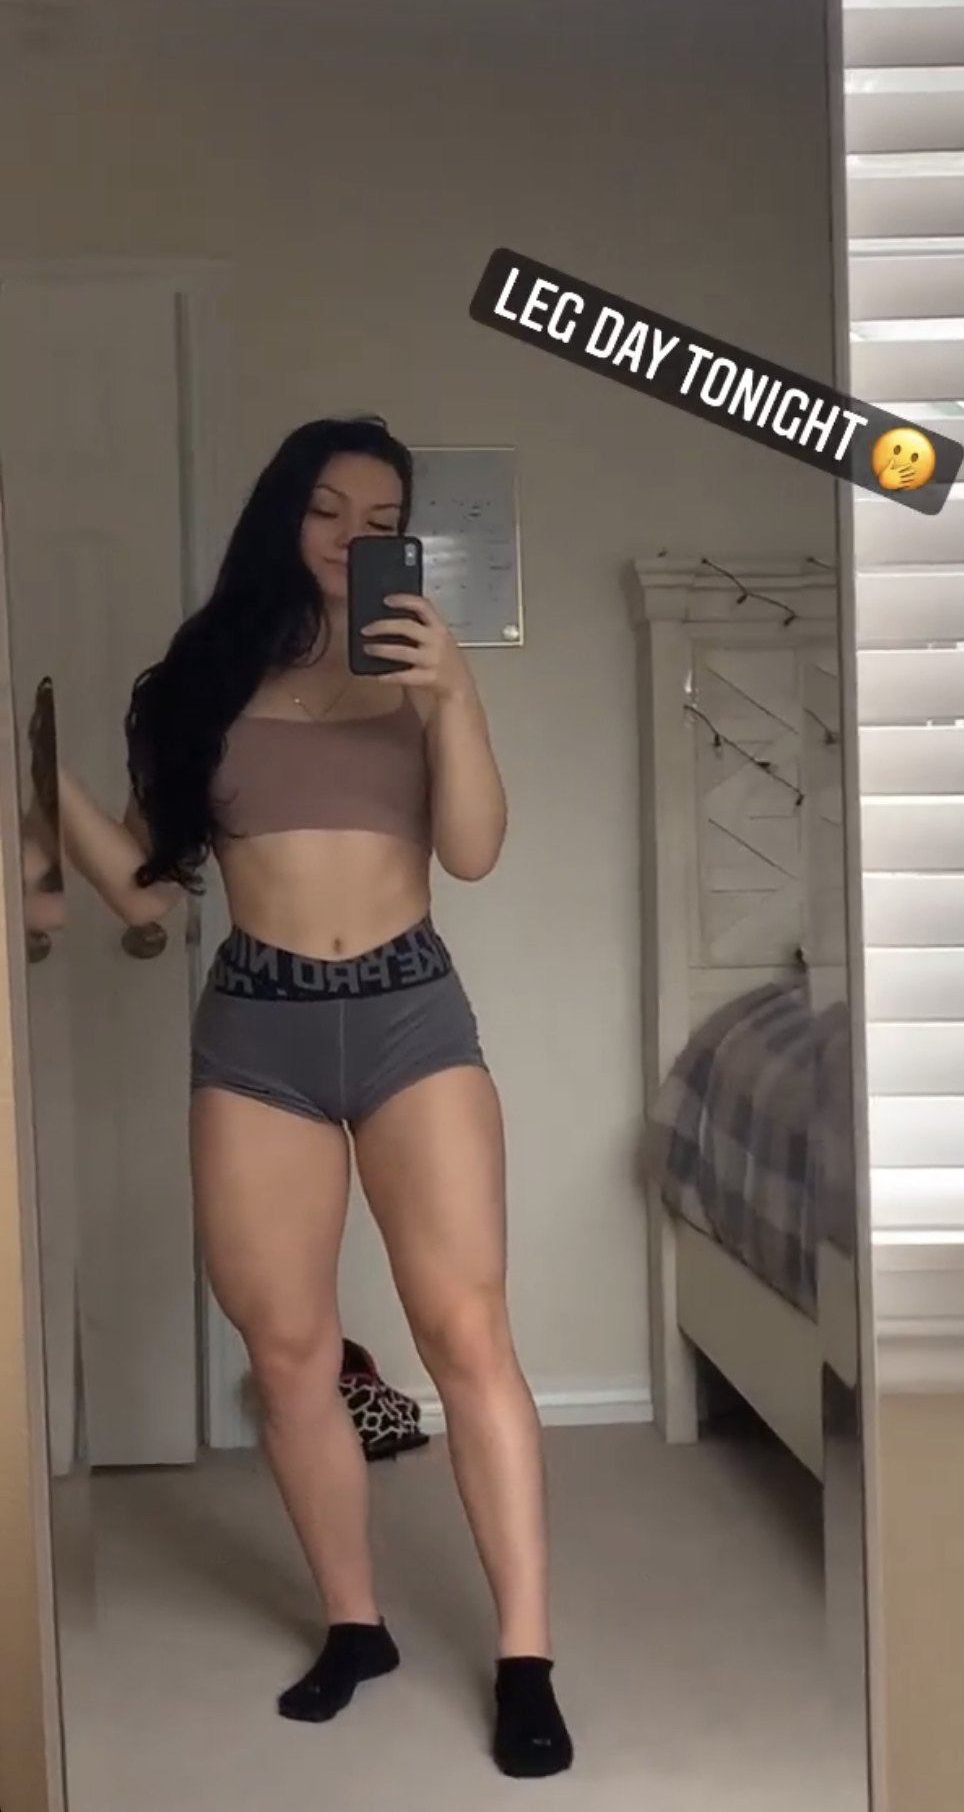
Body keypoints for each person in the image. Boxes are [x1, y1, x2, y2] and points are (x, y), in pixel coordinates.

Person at [55, 416, 573, 1779]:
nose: (351, 537)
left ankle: (525, 1657)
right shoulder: (200, 679)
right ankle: (356, 1625)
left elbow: (473, 852)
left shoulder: (421, 669)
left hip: (410, 1015)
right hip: (256, 1029)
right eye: (326, 509)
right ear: (282, 516)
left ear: (408, 538)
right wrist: (36, 769)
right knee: (288, 1348)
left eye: (381, 518)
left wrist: (454, 698)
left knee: (467, 1335)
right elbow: (148, 896)